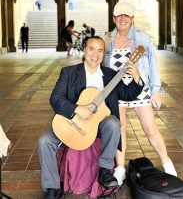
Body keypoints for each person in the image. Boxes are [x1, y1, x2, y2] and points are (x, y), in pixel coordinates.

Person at [38, 36, 144, 199]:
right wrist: (77, 109)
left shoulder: (110, 75)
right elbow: (56, 98)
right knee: (45, 141)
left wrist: (136, 77)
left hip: (99, 126)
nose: (95, 54)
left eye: (100, 50)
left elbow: (128, 94)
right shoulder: (69, 72)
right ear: (84, 50)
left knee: (114, 123)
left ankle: (104, 170)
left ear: (103, 53)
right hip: (71, 121)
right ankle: (51, 188)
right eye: (91, 49)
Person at [103, 1, 177, 186]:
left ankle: (167, 163)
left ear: (132, 19)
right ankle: (120, 169)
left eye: (126, 15)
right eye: (119, 15)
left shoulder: (143, 38)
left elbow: (153, 64)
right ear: (113, 18)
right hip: (116, 91)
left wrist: (156, 90)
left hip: (140, 89)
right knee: (120, 131)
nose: (122, 19)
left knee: (150, 128)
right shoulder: (106, 40)